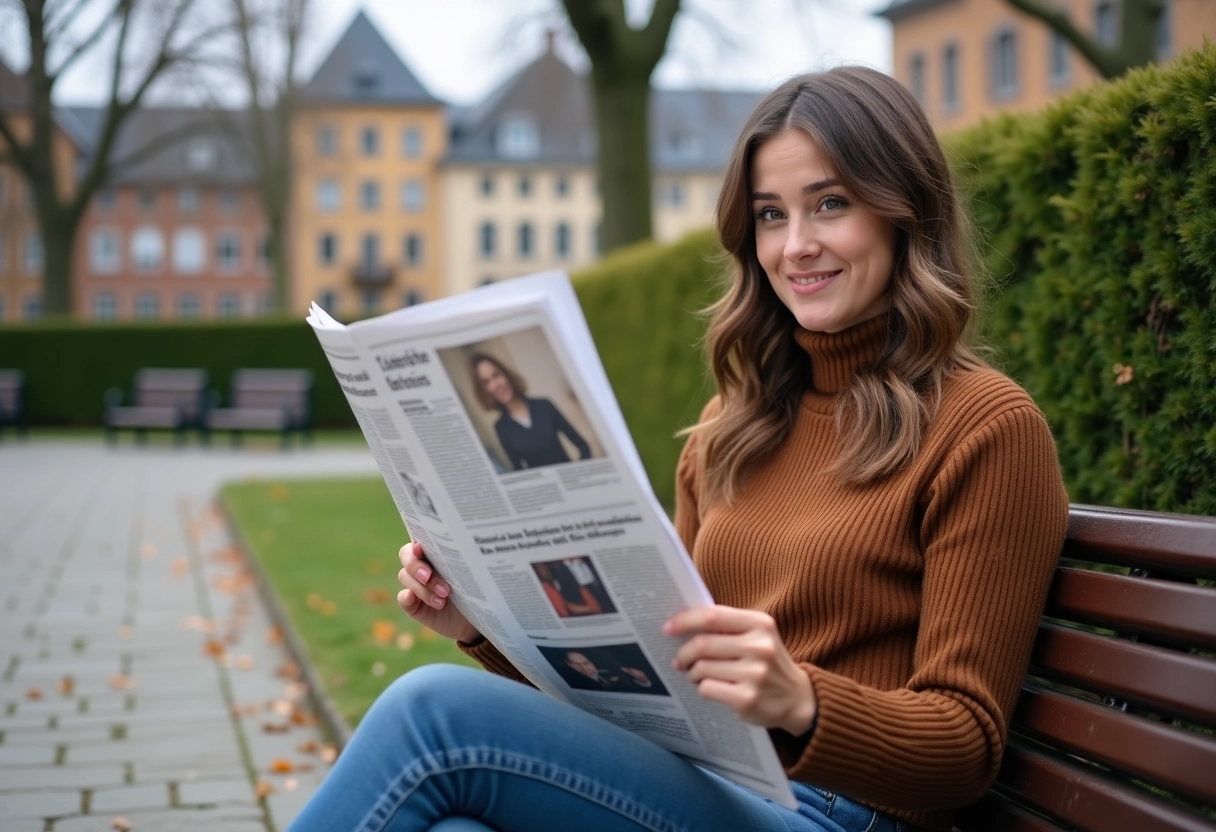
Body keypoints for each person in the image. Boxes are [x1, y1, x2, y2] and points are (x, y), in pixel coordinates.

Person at [290, 66, 1069, 832]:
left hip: (845, 817)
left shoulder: (986, 428)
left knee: (432, 716)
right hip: (707, 785)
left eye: (830, 203)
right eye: (770, 215)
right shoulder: (736, 423)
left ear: (906, 213)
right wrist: (478, 627)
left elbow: (966, 748)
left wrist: (801, 702)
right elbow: (650, 682)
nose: (796, 245)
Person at [469, 352, 592, 471]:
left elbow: (583, 446)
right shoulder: (501, 428)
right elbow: (519, 470)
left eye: (496, 375)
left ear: (505, 374)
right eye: (486, 382)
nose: (495, 385)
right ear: (484, 390)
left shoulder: (545, 406)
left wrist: (578, 476)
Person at [560, 649, 654, 693]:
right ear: (568, 665)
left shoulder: (612, 671)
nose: (584, 669)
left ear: (592, 660)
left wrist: (644, 681)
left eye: (586, 663)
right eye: (576, 665)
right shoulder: (575, 682)